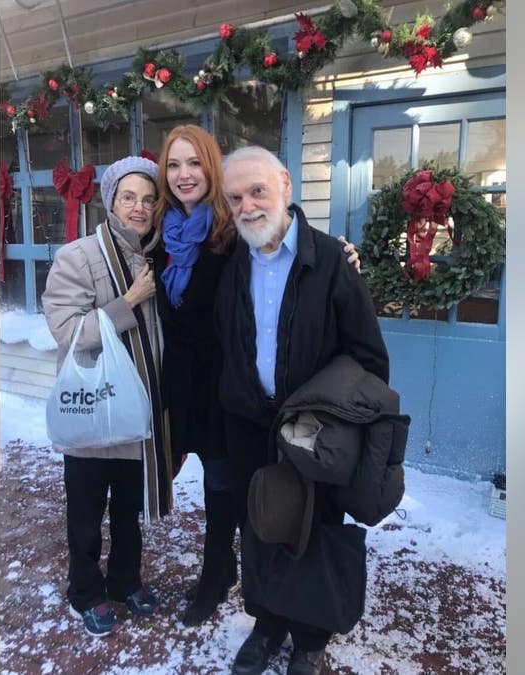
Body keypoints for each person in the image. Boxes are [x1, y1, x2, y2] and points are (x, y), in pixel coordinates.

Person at [148, 126, 362, 627]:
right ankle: (237, 580)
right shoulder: (161, 238)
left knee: (236, 491)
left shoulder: (232, 233)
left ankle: (222, 575)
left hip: (233, 388)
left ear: (212, 169)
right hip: (186, 387)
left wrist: (339, 255)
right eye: (174, 165)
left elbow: (287, 251)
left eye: (195, 164)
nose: (184, 175)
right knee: (217, 486)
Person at [213, 146, 389, 675]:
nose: (246, 206)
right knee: (262, 526)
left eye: (257, 191)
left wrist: (333, 423)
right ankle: (267, 625)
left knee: (315, 529)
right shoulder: (230, 262)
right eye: (235, 197)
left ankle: (310, 639)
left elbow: (368, 358)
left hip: (315, 433)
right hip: (249, 428)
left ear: (286, 185)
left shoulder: (332, 262)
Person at [41, 156, 174, 638]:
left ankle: (123, 580)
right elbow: (66, 330)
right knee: (86, 510)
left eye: (147, 199)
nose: (138, 208)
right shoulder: (79, 256)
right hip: (96, 410)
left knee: (127, 509)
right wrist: (128, 302)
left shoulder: (158, 256)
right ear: (111, 201)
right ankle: (85, 591)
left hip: (139, 410)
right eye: (128, 197)